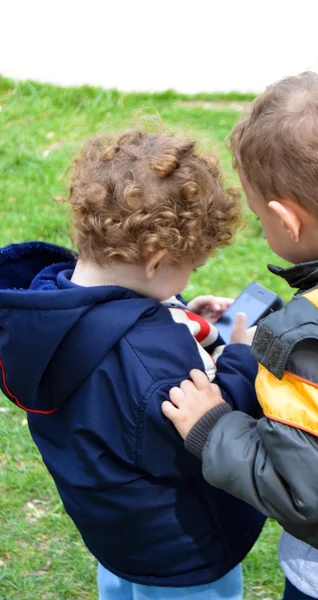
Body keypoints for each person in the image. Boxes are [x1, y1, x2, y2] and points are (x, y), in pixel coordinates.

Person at [162, 72, 318, 600]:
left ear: (285, 220)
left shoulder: (313, 342)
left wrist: (212, 426)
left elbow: (304, 487)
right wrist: (276, 329)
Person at [0, 131, 265, 599]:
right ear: (157, 260)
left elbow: (115, 329)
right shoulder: (156, 361)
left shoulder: (46, 310)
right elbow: (213, 435)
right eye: (191, 266)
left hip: (119, 537)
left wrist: (177, 311)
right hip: (182, 554)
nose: (191, 275)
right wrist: (242, 357)